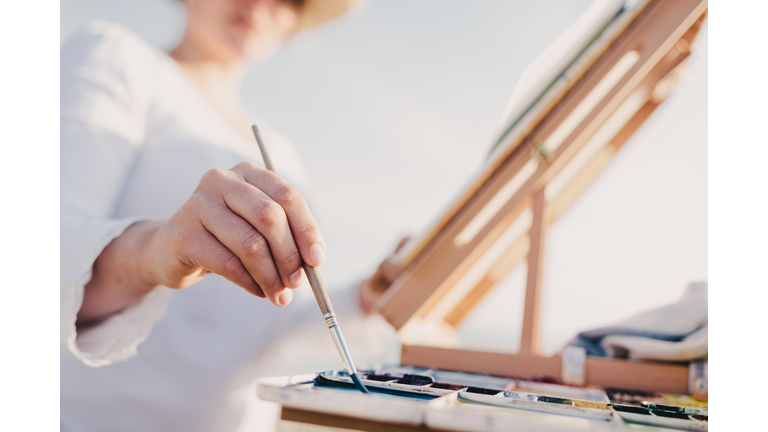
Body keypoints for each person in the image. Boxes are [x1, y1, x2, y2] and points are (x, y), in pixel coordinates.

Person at [60, 0, 388, 430]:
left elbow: (265, 322)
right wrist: (159, 248)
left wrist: (368, 296)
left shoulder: (282, 152)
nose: (260, 4)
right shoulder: (118, 58)